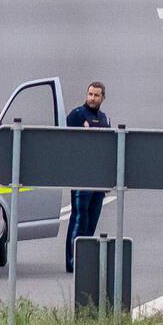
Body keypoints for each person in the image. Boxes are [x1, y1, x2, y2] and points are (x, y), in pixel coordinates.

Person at [65, 81, 110, 272]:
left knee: (92, 219)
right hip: (81, 177)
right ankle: (72, 260)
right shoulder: (76, 115)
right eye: (90, 94)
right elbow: (64, 139)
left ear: (102, 98)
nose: (92, 98)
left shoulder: (104, 118)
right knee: (79, 218)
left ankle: (84, 258)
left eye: (96, 95)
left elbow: (108, 149)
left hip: (98, 180)